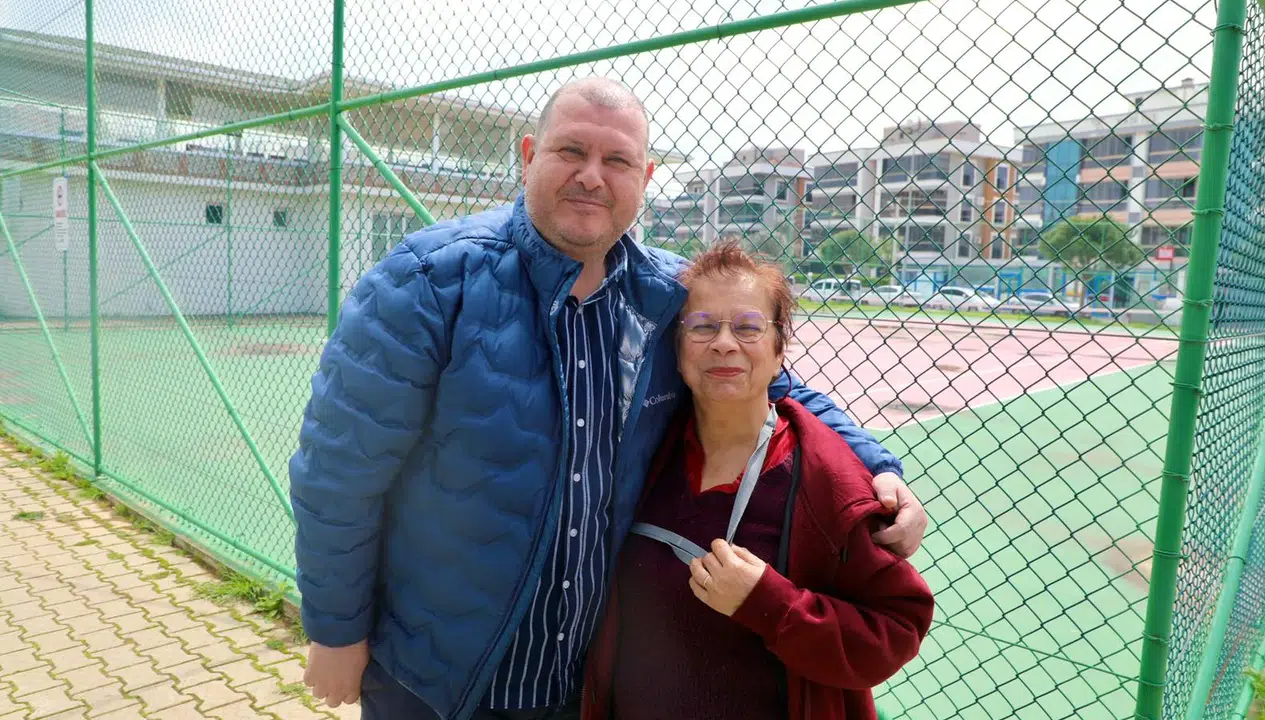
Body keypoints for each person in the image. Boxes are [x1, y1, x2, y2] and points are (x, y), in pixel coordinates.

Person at [288, 76, 928, 720]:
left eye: (617, 160)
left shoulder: (667, 297)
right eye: (572, 151)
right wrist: (337, 631)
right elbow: (339, 470)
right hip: (438, 679)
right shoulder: (428, 280)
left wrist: (877, 467)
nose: (592, 177)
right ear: (529, 156)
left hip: (585, 682)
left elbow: (777, 385)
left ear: (644, 178)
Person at [579, 242, 934, 720]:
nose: (724, 343)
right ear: (676, 351)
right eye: (702, 326)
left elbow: (897, 627)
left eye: (748, 327)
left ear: (779, 352)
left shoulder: (826, 480)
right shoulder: (643, 453)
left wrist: (771, 604)